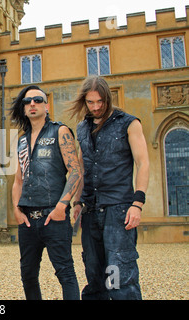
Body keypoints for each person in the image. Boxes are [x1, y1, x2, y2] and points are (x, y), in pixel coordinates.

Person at [69, 76, 149, 300]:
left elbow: (143, 163)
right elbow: (82, 168)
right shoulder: (82, 128)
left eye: (100, 102)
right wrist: (77, 202)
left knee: (119, 276)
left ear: (108, 99)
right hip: (90, 211)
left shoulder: (129, 123)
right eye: (91, 102)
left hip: (119, 209)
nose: (95, 107)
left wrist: (137, 203)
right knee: (94, 275)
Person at [10, 85, 82, 300]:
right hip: (28, 221)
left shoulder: (60, 131)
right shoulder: (21, 140)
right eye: (27, 101)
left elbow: (75, 172)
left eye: (38, 100)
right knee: (28, 275)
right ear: (23, 108)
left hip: (54, 217)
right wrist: (16, 210)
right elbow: (18, 180)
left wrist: (62, 207)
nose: (32, 104)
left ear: (46, 106)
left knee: (65, 273)